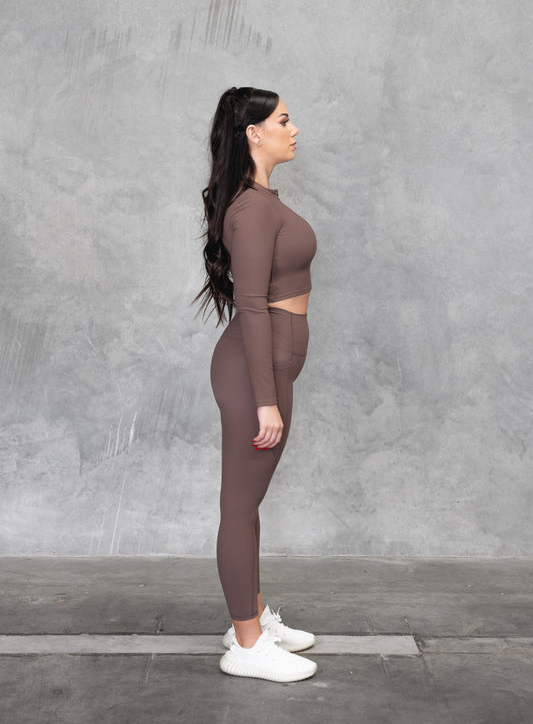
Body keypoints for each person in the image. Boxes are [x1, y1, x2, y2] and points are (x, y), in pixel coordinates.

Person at [192, 86, 318, 682]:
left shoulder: (262, 200)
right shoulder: (251, 208)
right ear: (254, 133)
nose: (294, 130)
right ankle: (246, 645)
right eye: (284, 121)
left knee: (249, 505)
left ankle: (254, 617)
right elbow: (251, 304)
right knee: (239, 507)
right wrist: (266, 401)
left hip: (266, 364)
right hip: (252, 372)